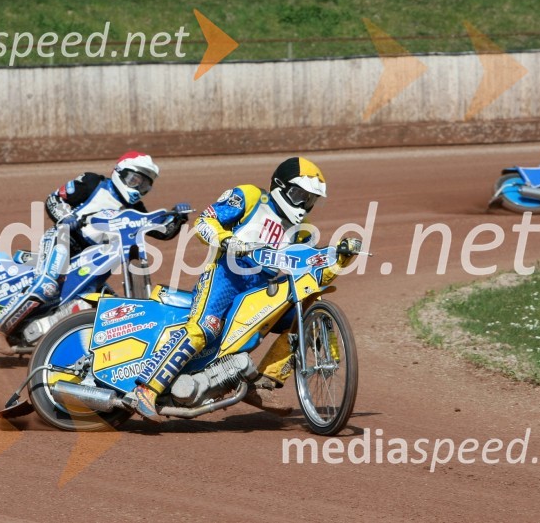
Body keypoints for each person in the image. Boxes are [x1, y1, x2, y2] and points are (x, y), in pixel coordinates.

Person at [122, 157, 363, 422]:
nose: (304, 205)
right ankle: (146, 388)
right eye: (299, 195)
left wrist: (340, 257)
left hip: (260, 289)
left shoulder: (302, 233)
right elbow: (205, 222)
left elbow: (315, 274)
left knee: (303, 313)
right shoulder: (250, 197)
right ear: (280, 187)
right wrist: (228, 240)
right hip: (226, 274)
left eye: (310, 200)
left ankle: (264, 382)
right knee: (205, 327)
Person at [0, 151, 189, 354]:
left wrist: (178, 218)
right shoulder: (93, 182)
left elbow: (161, 232)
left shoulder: (136, 209)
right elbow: (54, 199)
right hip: (65, 238)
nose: (138, 187)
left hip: (93, 257)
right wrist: (66, 217)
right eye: (135, 179)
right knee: (47, 285)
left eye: (145, 184)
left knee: (106, 304)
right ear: (120, 172)